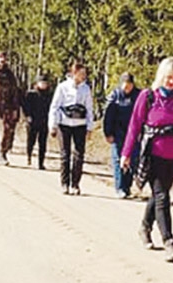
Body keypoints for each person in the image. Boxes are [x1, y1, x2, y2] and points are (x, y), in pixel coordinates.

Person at [121, 57, 173, 263]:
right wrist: (126, 153)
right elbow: (134, 126)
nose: (171, 82)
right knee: (162, 195)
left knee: (158, 195)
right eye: (168, 77)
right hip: (152, 154)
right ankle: (169, 242)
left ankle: (144, 228)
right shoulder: (147, 97)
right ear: (161, 76)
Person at [48, 62, 94, 193]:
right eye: (81, 73)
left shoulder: (86, 89)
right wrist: (53, 125)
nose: (83, 76)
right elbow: (55, 107)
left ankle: (75, 184)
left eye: (84, 74)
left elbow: (90, 108)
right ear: (74, 73)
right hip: (64, 124)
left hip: (80, 124)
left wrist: (89, 127)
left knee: (79, 155)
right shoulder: (63, 87)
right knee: (65, 154)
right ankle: (65, 183)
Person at [103, 72, 140, 198]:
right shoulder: (115, 96)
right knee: (119, 159)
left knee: (132, 160)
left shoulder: (139, 96)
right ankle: (119, 188)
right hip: (117, 132)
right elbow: (108, 116)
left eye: (129, 84)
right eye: (124, 84)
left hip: (134, 134)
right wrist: (108, 133)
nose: (126, 87)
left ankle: (127, 186)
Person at [23, 74, 53, 169]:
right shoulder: (31, 94)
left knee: (42, 143)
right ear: (37, 83)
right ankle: (29, 155)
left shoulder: (50, 95)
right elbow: (25, 107)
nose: (43, 85)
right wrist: (27, 116)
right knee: (31, 141)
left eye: (45, 83)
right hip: (33, 121)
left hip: (44, 121)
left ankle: (41, 163)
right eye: (41, 83)